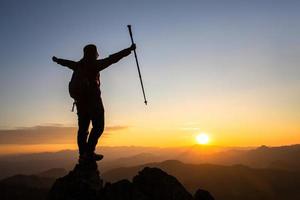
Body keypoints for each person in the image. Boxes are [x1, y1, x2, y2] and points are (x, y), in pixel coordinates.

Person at [52, 43, 136, 162]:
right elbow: (112, 59)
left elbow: (66, 63)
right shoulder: (95, 65)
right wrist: (129, 50)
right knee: (98, 126)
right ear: (94, 53)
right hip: (93, 102)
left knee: (83, 129)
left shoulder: (78, 65)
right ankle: (89, 152)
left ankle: (83, 154)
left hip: (80, 103)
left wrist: (57, 60)